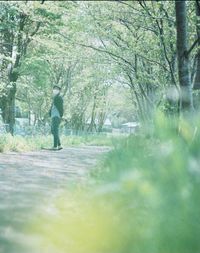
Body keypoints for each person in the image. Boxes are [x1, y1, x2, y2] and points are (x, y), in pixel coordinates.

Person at [49, 85, 63, 150]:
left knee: (55, 130)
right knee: (53, 130)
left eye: (56, 89)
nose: (55, 90)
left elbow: (61, 108)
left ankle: (55, 146)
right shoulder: (55, 97)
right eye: (54, 89)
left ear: (59, 91)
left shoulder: (59, 98)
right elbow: (52, 107)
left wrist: (60, 116)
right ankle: (59, 145)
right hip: (53, 116)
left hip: (56, 116)